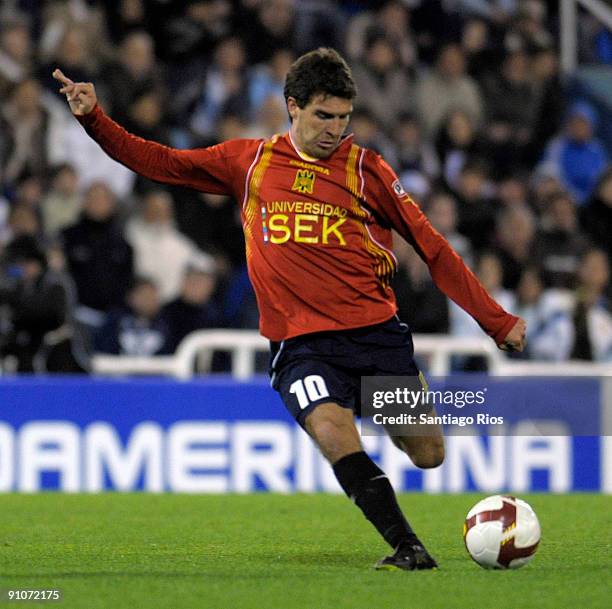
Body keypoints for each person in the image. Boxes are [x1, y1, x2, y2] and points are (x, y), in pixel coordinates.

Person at [53, 48, 526, 571]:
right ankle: (408, 547)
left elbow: (433, 247)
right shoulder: (249, 162)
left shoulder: (368, 170)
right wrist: (95, 119)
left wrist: (495, 321)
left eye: (344, 118)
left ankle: (370, 414)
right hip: (302, 346)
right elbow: (161, 162)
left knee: (428, 454)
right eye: (324, 116)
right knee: (331, 430)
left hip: (375, 337)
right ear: (293, 106)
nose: (334, 130)